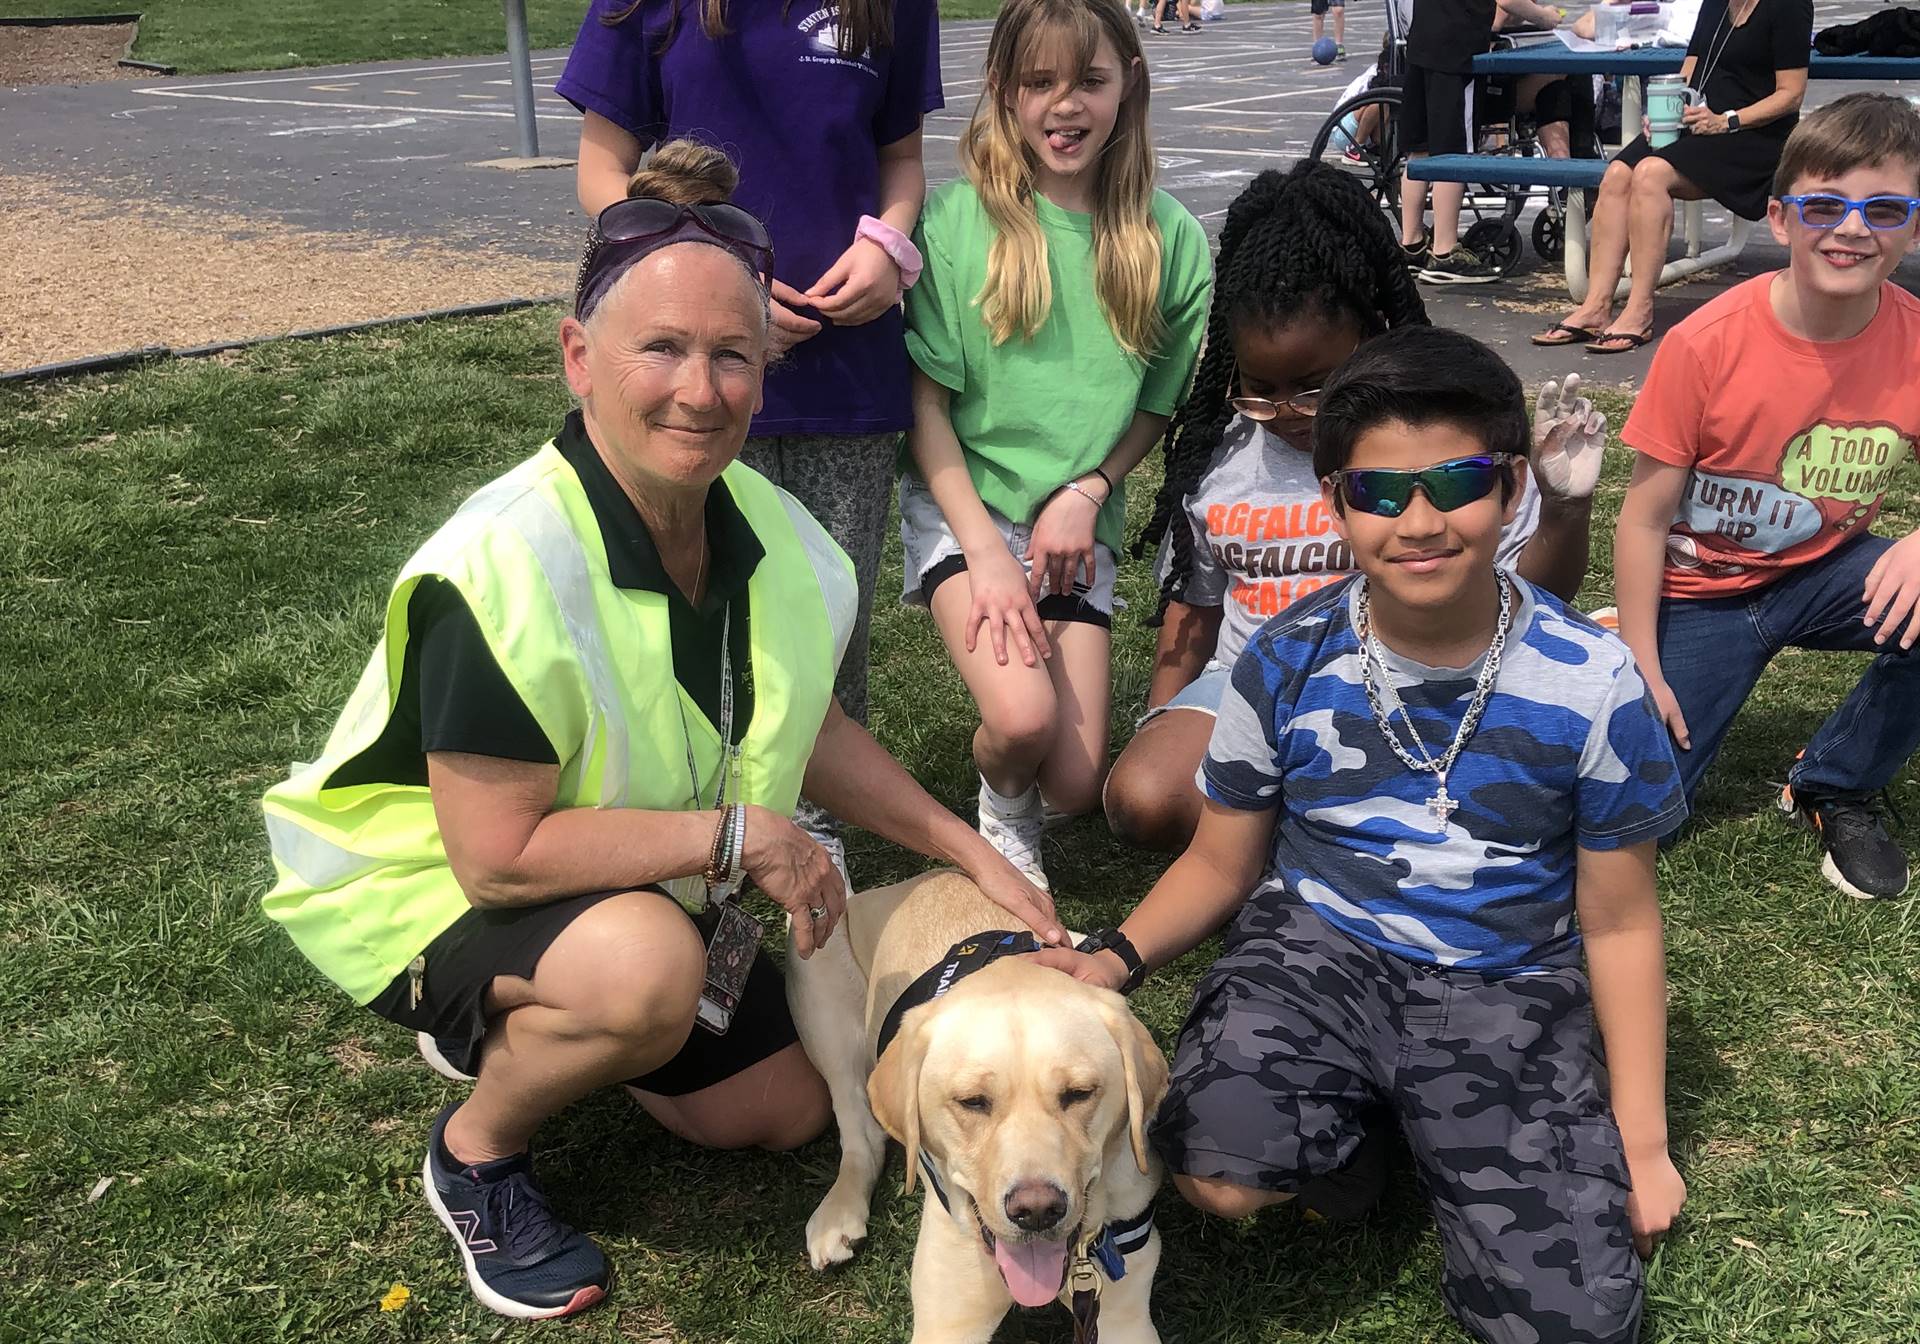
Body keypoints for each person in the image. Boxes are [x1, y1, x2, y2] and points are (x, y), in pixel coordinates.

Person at [257, 143, 1059, 1322]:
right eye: (663, 350)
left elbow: (813, 722)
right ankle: (478, 1150)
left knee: (778, 1111)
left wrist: (966, 846)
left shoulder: (771, 529)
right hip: (425, 884)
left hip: (627, 878)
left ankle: (532, 1017)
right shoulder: (501, 565)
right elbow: (498, 858)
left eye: (733, 354)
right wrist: (738, 838)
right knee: (649, 972)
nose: (702, 389)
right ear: (579, 358)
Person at [1039, 325, 1689, 1344]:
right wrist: (1113, 957)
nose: (1421, 522)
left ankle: (1429, 1124)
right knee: (1212, 1171)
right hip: (1320, 953)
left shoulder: (1592, 683)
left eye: (1458, 483)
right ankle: (1380, 1132)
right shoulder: (1288, 659)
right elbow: (1221, 859)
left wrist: (1642, 1144)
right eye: (1381, 494)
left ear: (1513, 489)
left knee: (1575, 1324)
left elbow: (1619, 925)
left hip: (1506, 981)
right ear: (1337, 504)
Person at [1105, 161, 1604, 851]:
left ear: (1373, 336)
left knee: (1536, 791)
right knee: (1145, 798)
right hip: (1254, 688)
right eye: (1259, 390)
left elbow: (1530, 593)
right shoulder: (1218, 457)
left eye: (1314, 388)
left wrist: (1564, 512)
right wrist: (1164, 712)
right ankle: (1337, 823)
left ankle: (1309, 827)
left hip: (1419, 685)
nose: (1284, 413)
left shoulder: (1436, 444)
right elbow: (1194, 606)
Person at [557, 0, 942, 891]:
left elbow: (902, 163)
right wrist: (717, 276)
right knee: (679, 598)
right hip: (701, 365)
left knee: (827, 610)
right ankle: (687, 810)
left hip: (844, 364)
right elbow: (601, 169)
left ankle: (813, 821)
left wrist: (890, 246)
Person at [902, 0, 1211, 890]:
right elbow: (927, 410)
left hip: (1076, 520)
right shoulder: (958, 225)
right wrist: (985, 556)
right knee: (1026, 722)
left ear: (1130, 85)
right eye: (1038, 81)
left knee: (1077, 785)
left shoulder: (1172, 239)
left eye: (1090, 81)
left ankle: (1031, 792)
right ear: (1002, 90)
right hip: (969, 504)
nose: (1063, 105)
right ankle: (999, 811)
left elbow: (1155, 406)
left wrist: (1090, 489)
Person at [1612, 93, 1920, 898]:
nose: (1853, 229)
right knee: (1646, 818)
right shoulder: (1704, 342)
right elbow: (1643, 519)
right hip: (1700, 592)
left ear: (1913, 227)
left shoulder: (1916, 337)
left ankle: (1834, 781)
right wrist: (1646, 661)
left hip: (1821, 570)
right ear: (1781, 219)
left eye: (1884, 209)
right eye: (1826, 206)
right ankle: (1619, 639)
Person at [1533, 0, 1812, 352]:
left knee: (1650, 174)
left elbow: (1791, 94)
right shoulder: (1717, 4)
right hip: (1698, 123)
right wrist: (1664, 110)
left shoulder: (1789, 7)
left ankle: (1640, 310)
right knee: (1618, 173)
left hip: (1753, 135)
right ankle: (1595, 306)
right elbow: (1691, 66)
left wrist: (1727, 120)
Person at [1399, 0, 1565, 284]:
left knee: (1421, 149)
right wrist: (1543, 17)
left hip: (1423, 39)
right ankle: (1445, 252)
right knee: (1453, 154)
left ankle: (1412, 242)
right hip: (1456, 49)